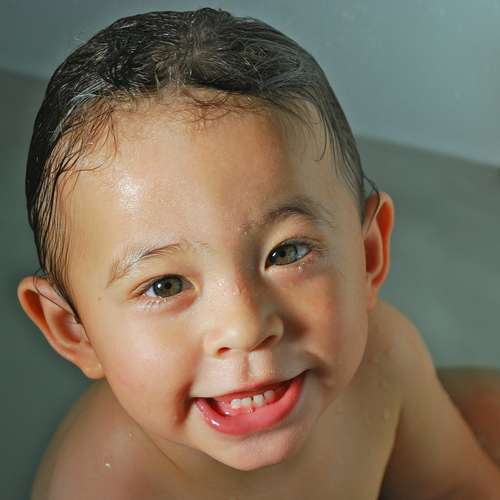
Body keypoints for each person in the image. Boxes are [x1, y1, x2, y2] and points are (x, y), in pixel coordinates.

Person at [16, 8, 500, 499]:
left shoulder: (384, 358)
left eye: (287, 252)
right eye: (165, 285)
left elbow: (458, 486)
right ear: (74, 330)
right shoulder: (104, 485)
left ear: (368, 256)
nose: (245, 328)